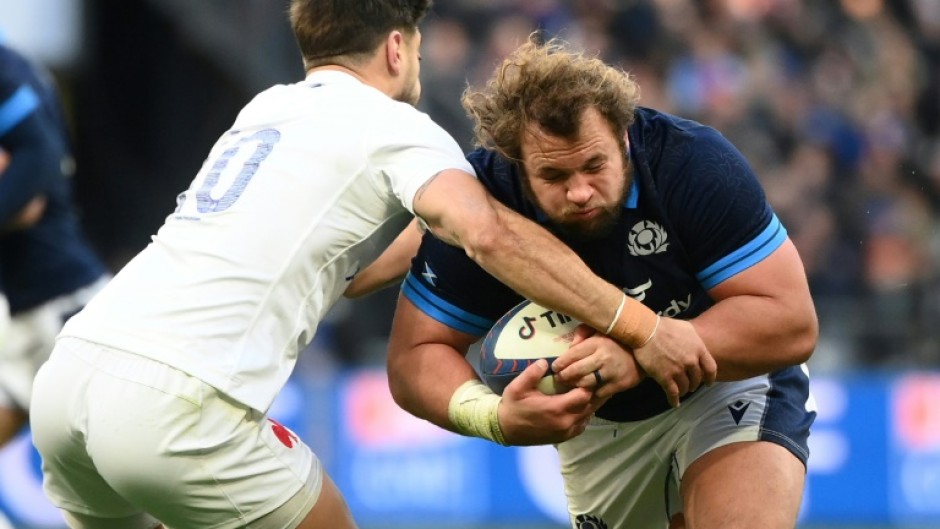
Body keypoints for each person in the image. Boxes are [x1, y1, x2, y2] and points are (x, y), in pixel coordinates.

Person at [29, 3, 713, 529]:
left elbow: (341, 268)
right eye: (415, 44)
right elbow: (486, 235)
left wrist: (434, 242)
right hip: (173, 401)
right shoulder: (396, 127)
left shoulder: (267, 109)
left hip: (70, 377)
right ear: (396, 45)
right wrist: (641, 325)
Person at [378, 36, 818, 529]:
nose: (581, 191)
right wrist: (493, 417)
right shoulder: (484, 202)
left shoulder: (692, 165)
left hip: (723, 386)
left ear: (624, 138)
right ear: (515, 165)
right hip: (599, 428)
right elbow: (414, 356)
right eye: (554, 176)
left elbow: (792, 323)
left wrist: (635, 357)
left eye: (595, 165)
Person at [0, 42, 111, 456]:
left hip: (63, 308)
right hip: (32, 312)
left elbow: (38, 162)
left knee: (132, 485)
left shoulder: (5, 70)